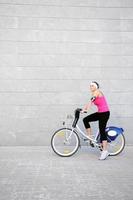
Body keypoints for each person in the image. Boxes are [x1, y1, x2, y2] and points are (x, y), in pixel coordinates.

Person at [81, 81, 110, 160]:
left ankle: (105, 151)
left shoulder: (97, 92)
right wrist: (83, 110)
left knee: (102, 130)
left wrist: (87, 110)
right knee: (85, 119)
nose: (90, 87)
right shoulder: (93, 94)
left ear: (96, 87)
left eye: (92, 86)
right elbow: (89, 102)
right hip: (100, 113)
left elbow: (91, 101)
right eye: (90, 86)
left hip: (105, 113)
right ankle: (90, 138)